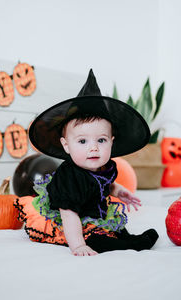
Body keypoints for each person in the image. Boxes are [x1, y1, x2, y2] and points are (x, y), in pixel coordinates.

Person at [14, 69, 159, 256]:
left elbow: (102, 183)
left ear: (111, 142)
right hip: (69, 219)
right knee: (94, 239)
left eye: (101, 140)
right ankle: (126, 246)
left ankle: (129, 238)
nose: (94, 148)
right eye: (83, 141)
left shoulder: (103, 167)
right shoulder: (70, 177)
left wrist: (118, 190)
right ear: (66, 146)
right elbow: (68, 213)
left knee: (113, 225)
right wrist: (78, 245)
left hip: (89, 214)